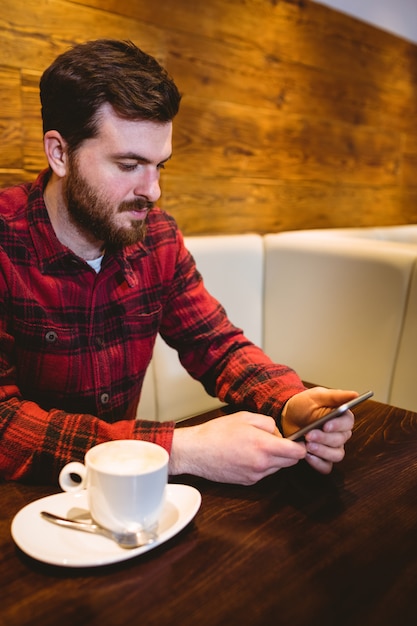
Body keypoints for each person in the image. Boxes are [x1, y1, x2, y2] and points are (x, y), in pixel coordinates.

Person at [0, 39, 357, 486]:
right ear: (59, 153)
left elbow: (215, 345)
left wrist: (289, 402)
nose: (152, 191)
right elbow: (3, 426)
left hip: (127, 502)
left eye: (159, 166)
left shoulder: (158, 238)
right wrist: (178, 449)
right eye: (129, 164)